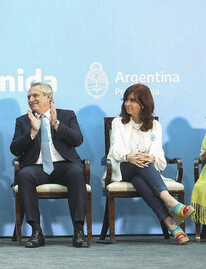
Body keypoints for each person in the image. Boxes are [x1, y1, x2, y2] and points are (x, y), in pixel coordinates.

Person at [103, 83, 194, 244]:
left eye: (133, 101)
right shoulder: (118, 122)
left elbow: (157, 152)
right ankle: (171, 202)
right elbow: (116, 149)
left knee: (140, 179)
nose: (127, 104)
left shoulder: (155, 125)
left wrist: (151, 157)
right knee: (140, 163)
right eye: (126, 100)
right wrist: (129, 157)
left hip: (142, 172)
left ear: (144, 105)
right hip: (122, 168)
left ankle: (171, 224)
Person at [10, 82, 89, 248]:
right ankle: (36, 231)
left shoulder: (67, 115)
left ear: (48, 96)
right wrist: (32, 132)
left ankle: (79, 231)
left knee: (76, 172)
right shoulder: (23, 121)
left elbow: (77, 140)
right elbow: (14, 148)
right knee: (24, 175)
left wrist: (57, 125)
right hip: (36, 167)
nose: (31, 99)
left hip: (63, 164)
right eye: (29, 97)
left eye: (35, 95)